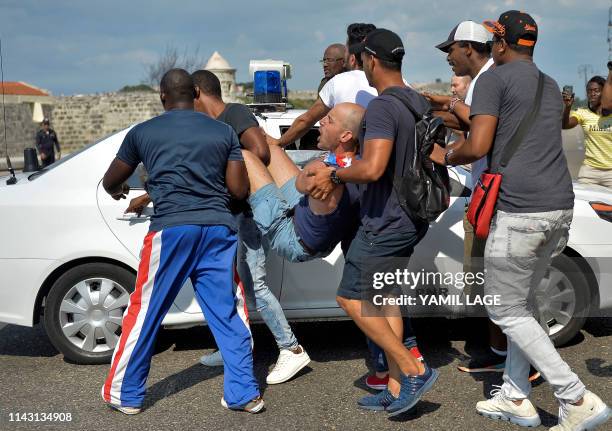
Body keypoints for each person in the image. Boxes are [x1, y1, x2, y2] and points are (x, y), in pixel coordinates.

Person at [430, 11, 610, 430]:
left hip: (520, 211)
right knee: (524, 304)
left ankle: (575, 396)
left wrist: (443, 155)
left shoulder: (494, 79)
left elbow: (477, 145)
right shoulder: (548, 84)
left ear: (499, 43)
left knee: (504, 308)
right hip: (559, 207)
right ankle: (515, 394)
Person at [126, 69, 311, 385]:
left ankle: (291, 348)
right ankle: (232, 350)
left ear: (196, 92)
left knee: (254, 285)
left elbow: (261, 151)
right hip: (232, 217)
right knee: (228, 288)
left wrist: (229, 164)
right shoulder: (213, 127)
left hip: (252, 214)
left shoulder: (233, 113)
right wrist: (149, 193)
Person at [101, 69, 264, 415]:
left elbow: (110, 180)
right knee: (227, 312)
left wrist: (119, 191)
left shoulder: (143, 132)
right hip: (218, 230)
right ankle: (244, 394)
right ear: (194, 93)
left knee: (146, 311)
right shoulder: (223, 132)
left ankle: (125, 395)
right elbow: (237, 190)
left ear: (162, 96)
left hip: (171, 230)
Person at [308, 29, 438, 417]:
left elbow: (374, 166)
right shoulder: (416, 100)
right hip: (411, 215)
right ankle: (397, 386)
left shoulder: (383, 107)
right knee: (386, 301)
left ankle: (414, 370)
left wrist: (334, 174)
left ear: (371, 61)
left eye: (361, 59)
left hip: (387, 219)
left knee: (351, 298)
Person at [431, 20, 540, 383]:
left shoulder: (491, 79)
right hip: (488, 195)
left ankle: (524, 362)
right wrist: (447, 105)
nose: (448, 57)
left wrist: (444, 155)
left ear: (468, 47)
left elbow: (481, 138)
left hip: (497, 198)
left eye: (451, 49)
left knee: (498, 286)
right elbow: (471, 119)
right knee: (486, 283)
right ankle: (501, 355)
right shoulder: (487, 79)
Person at [243, 103, 363, 263]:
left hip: (294, 238)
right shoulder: (360, 164)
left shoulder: (324, 173)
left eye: (330, 120)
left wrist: (320, 162)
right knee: (269, 149)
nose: (321, 121)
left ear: (345, 136)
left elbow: (301, 184)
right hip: (307, 218)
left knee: (244, 156)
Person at [266, 23, 377, 148]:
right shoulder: (395, 83)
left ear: (351, 57)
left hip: (346, 160)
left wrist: (278, 142)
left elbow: (307, 120)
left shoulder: (337, 83)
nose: (325, 64)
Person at [562, 75, 612, 189]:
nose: (592, 94)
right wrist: (568, 107)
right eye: (589, 91)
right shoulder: (582, 112)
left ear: (605, 93)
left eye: (596, 91)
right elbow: (565, 125)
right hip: (589, 172)